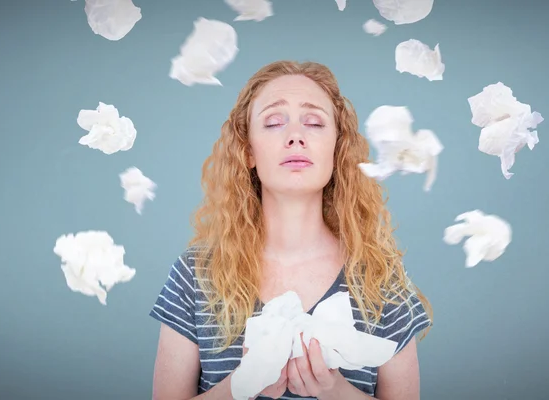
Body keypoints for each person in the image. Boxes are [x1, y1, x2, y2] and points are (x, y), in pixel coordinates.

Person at [149, 60, 433, 400]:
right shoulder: (195, 275)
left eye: (314, 122)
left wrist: (337, 392)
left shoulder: (381, 277)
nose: (295, 136)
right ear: (248, 151)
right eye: (272, 122)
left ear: (337, 149)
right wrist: (238, 388)